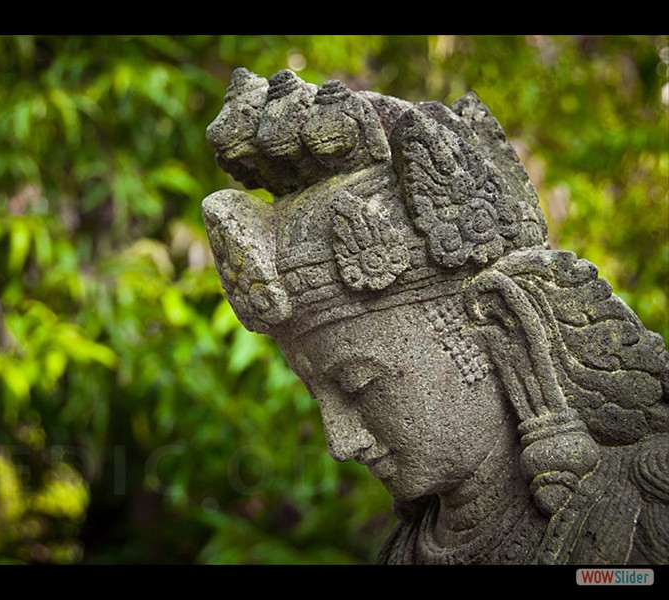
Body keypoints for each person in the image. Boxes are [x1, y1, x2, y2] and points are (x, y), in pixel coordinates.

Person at [202, 69, 669, 564]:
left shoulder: (641, 516)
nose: (341, 442)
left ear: (498, 326)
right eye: (320, 397)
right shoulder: (405, 551)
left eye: (360, 385)